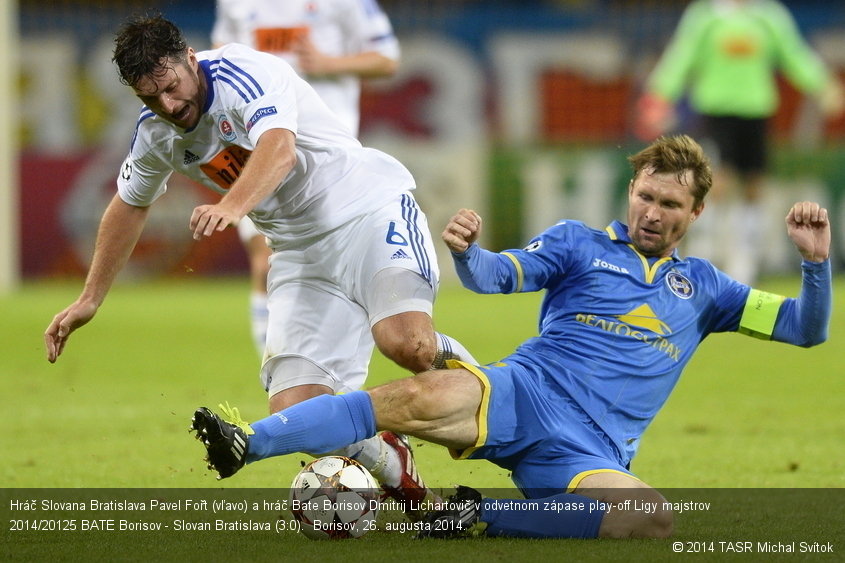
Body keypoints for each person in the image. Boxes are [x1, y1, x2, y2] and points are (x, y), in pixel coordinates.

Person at [191, 135, 831, 539]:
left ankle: (466, 516)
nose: (651, 213)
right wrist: (471, 254)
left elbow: (806, 329)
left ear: (696, 214)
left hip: (591, 451)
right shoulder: (580, 244)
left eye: (668, 204)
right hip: (523, 392)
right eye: (644, 196)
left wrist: (815, 263)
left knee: (650, 517)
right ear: (629, 191)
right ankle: (247, 444)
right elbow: (503, 276)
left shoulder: (711, 289)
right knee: (409, 400)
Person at [43, 14, 476, 519]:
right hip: (300, 255)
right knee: (296, 413)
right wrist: (89, 298)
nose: (169, 106)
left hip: (368, 214)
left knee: (407, 344)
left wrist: (232, 206)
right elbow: (128, 204)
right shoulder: (156, 132)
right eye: (149, 98)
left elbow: (279, 149)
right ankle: (394, 465)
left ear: (189, 59)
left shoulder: (241, 72)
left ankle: (503, 397)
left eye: (171, 88)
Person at [211, 0, 401, 355]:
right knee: (266, 256)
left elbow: (386, 58)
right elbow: (218, 56)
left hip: (327, 148)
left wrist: (329, 64)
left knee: (334, 261)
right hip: (258, 138)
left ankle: (331, 369)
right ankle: (276, 374)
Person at [636, 0, 843, 285]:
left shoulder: (769, 15)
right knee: (717, 180)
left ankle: (745, 256)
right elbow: (680, 56)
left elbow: (795, 54)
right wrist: (659, 96)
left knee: (753, 185)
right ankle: (706, 252)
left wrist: (824, 86)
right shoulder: (705, 16)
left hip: (755, 111)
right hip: (716, 111)